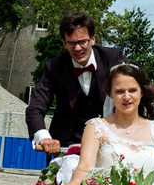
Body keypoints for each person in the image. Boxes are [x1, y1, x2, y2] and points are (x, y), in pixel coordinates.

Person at [26, 13, 124, 156]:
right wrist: (44, 137)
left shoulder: (113, 58)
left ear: (93, 39)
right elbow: (35, 107)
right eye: (71, 43)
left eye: (82, 41)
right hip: (67, 147)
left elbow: (139, 92)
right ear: (64, 43)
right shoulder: (54, 67)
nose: (77, 48)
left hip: (110, 146)